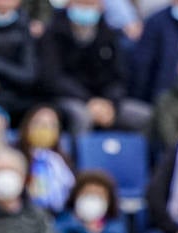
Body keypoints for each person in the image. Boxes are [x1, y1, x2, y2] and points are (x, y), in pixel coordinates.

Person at [40, 0, 149, 136]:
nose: (86, 9)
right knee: (81, 116)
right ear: (69, 4)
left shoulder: (109, 34)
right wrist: (88, 101)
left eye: (91, 4)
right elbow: (53, 77)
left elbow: (118, 77)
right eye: (82, 4)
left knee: (145, 117)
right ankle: (77, 156)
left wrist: (110, 102)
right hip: (68, 99)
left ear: (101, 6)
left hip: (106, 102)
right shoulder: (53, 32)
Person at [18, 105, 76, 213]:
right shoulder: (14, 156)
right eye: (39, 123)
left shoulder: (62, 160)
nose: (45, 129)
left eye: (51, 125)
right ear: (27, 126)